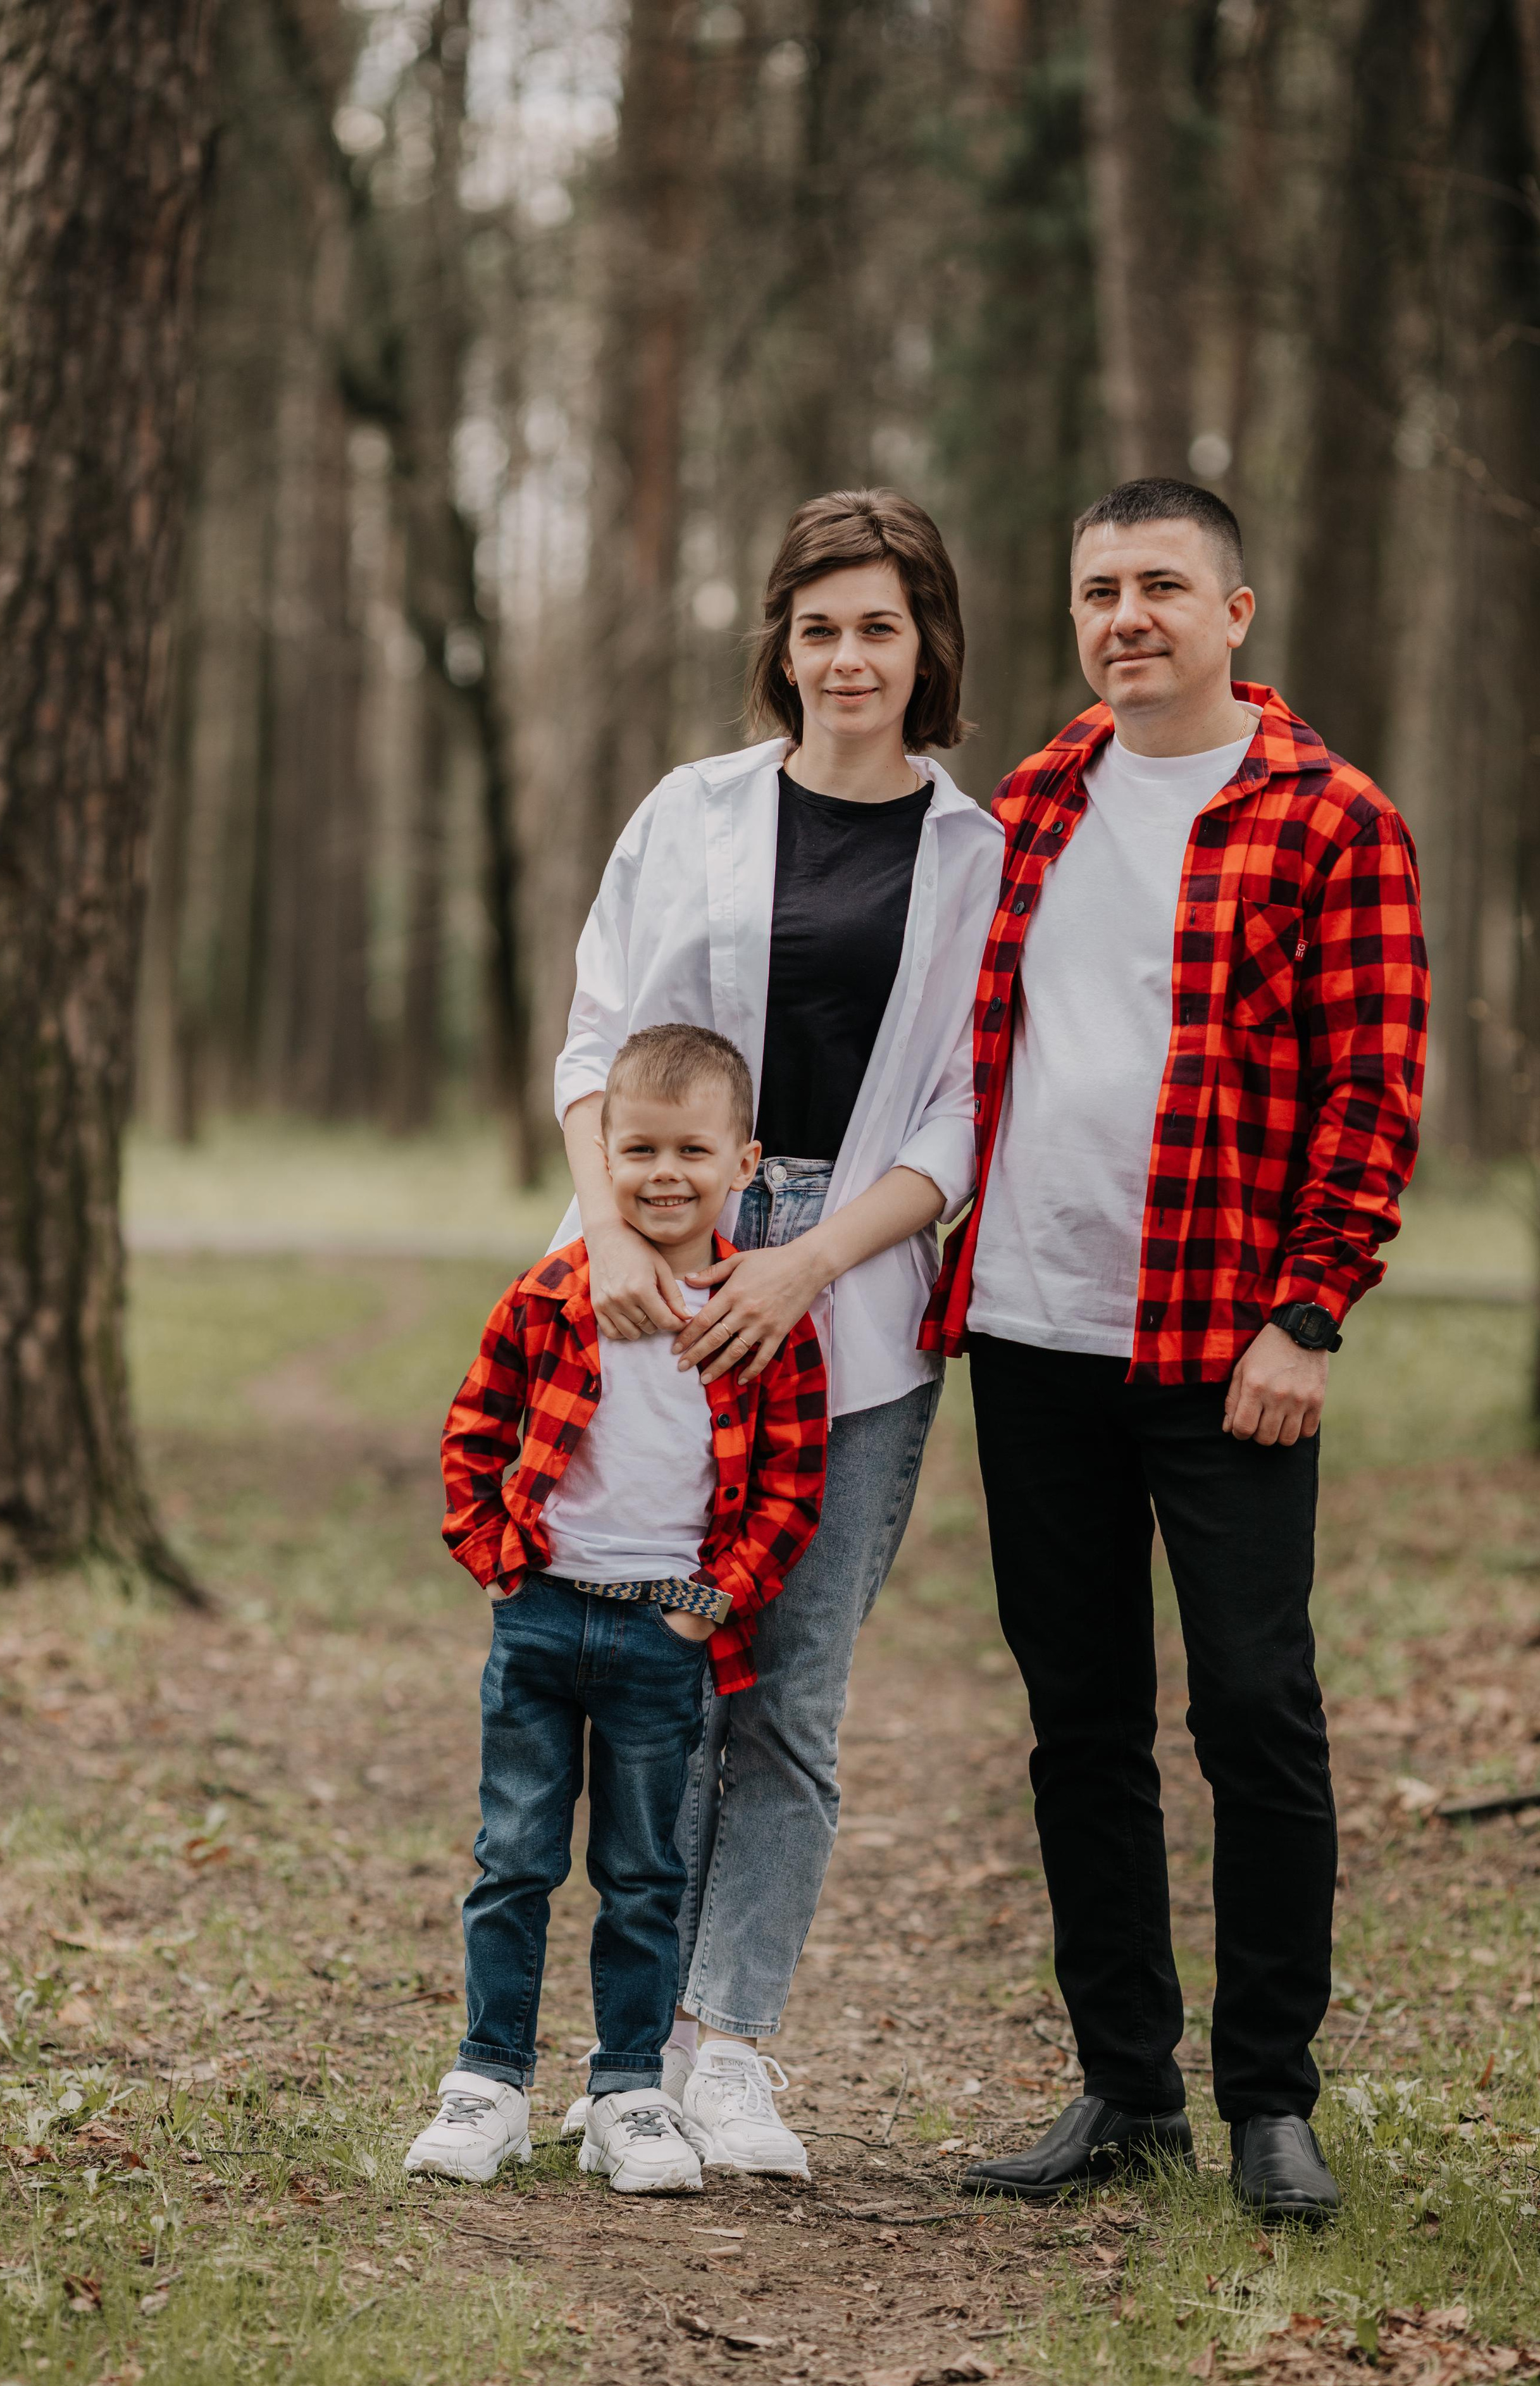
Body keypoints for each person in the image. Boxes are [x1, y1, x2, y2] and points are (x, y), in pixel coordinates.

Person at [922, 476, 1428, 2225]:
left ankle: (1270, 2099)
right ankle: (1125, 2092)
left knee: (1259, 1712)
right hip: (1032, 1334)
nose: (1125, 616)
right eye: (1096, 591)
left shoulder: (1328, 821)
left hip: (1231, 1345)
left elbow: (1375, 1096)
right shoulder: (1034, 804)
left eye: (1159, 586)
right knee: (1080, 1725)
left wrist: (1309, 1313)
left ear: (1238, 611)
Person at [552, 490, 1003, 2177]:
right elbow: (598, 1036)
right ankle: (626, 2060)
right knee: (655, 1666)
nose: (847, 657)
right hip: (658, 1275)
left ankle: (729, 2048)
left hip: (854, 1296)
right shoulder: (691, 809)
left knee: (791, 1692)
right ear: (781, 644)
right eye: (819, 625)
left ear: (926, 645)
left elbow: (967, 1109)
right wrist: (612, 1228)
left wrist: (807, 1261)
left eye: (880, 624)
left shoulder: (976, 854)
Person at [404, 1024, 827, 2195]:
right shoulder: (555, 1296)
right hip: (540, 1617)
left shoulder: (759, 1318)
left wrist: (704, 1606)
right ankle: (487, 2084)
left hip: (661, 1636)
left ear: (745, 1164)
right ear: (604, 1153)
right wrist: (496, 1563)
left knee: (644, 1873)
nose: (663, 1174)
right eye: (636, 1147)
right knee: (514, 1859)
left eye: (694, 1149)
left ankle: (629, 2092)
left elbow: (790, 1491)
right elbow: (473, 1430)